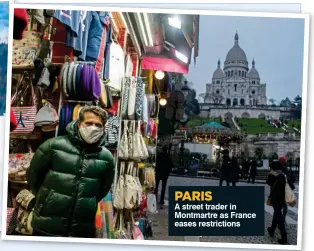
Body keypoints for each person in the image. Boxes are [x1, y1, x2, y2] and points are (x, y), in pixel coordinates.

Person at [27, 106, 115, 237]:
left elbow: (102, 189)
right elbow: (33, 175)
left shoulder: (106, 158)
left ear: (103, 129)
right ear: (79, 124)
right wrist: (47, 198)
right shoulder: (53, 146)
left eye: (98, 125)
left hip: (81, 229)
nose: (93, 128)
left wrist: (86, 202)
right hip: (47, 225)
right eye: (89, 123)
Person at [266, 161, 287, 244]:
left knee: (278, 216)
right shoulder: (282, 175)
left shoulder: (272, 175)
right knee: (277, 213)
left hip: (275, 198)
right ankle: (272, 229)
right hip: (282, 198)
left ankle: (284, 237)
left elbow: (268, 183)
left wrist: (270, 174)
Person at [278, 156, 295, 224]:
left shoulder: (278, 169)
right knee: (284, 205)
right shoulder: (286, 169)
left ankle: (280, 218)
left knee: (279, 205)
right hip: (285, 189)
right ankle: (283, 218)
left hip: (279, 189)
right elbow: (290, 179)